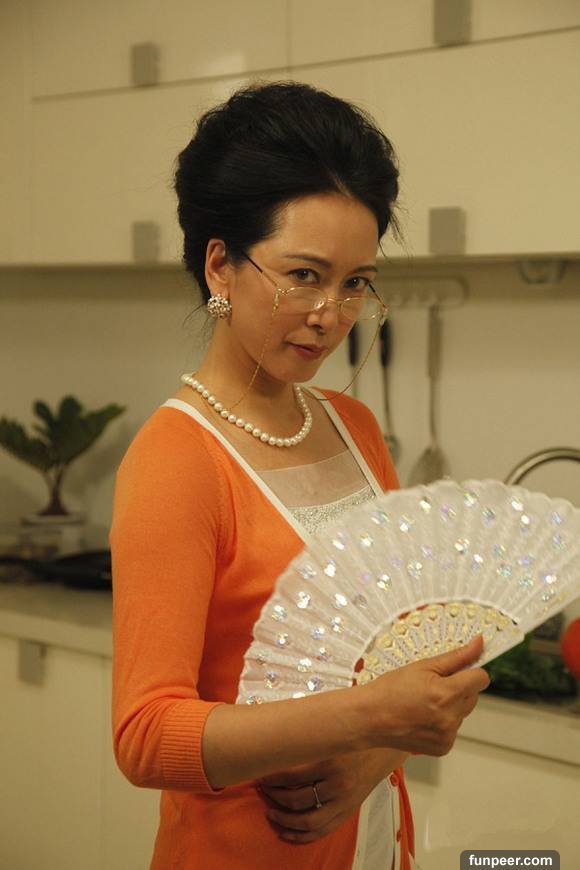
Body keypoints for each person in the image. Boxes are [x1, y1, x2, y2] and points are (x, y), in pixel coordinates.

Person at [110, 80, 490, 870]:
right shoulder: (178, 458)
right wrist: (367, 719)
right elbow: (146, 737)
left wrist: (378, 755)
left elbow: (405, 659)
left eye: (355, 282)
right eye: (305, 275)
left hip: (378, 843)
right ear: (221, 265)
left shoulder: (353, 429)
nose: (331, 314)